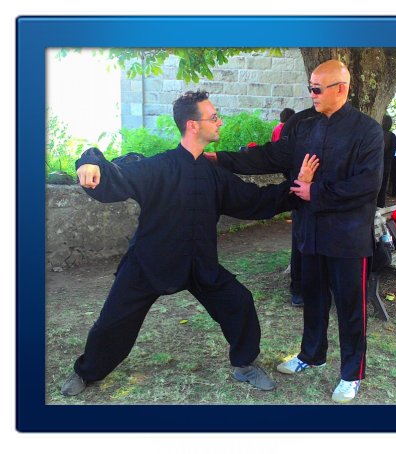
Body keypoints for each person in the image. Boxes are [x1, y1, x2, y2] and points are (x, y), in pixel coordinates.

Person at [61, 89, 319, 397]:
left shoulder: (215, 175)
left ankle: (244, 364)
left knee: (239, 302)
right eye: (214, 118)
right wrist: (89, 161)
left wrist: (298, 187)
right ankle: (87, 371)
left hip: (199, 265)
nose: (220, 122)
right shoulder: (158, 167)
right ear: (193, 125)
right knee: (112, 324)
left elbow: (253, 199)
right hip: (149, 264)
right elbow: (116, 175)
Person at [204, 60, 384, 403]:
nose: (311, 94)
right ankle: (311, 355)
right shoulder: (304, 125)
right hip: (310, 231)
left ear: (340, 89)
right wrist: (219, 159)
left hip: (348, 237)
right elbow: (269, 156)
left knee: (350, 309)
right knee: (313, 299)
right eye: (310, 88)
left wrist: (315, 192)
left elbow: (367, 186)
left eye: (317, 88)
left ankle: (351, 374)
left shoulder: (367, 131)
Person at [279, 105, 320, 306]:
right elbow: (282, 156)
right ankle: (298, 288)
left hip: (327, 196)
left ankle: (321, 287)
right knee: (300, 241)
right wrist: (297, 181)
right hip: (302, 194)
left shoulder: (345, 122)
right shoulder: (298, 121)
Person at [377, 114, 396, 208]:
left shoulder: (377, 134)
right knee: (383, 185)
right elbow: (392, 152)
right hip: (386, 165)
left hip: (376, 165)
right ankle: (381, 204)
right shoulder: (392, 136)